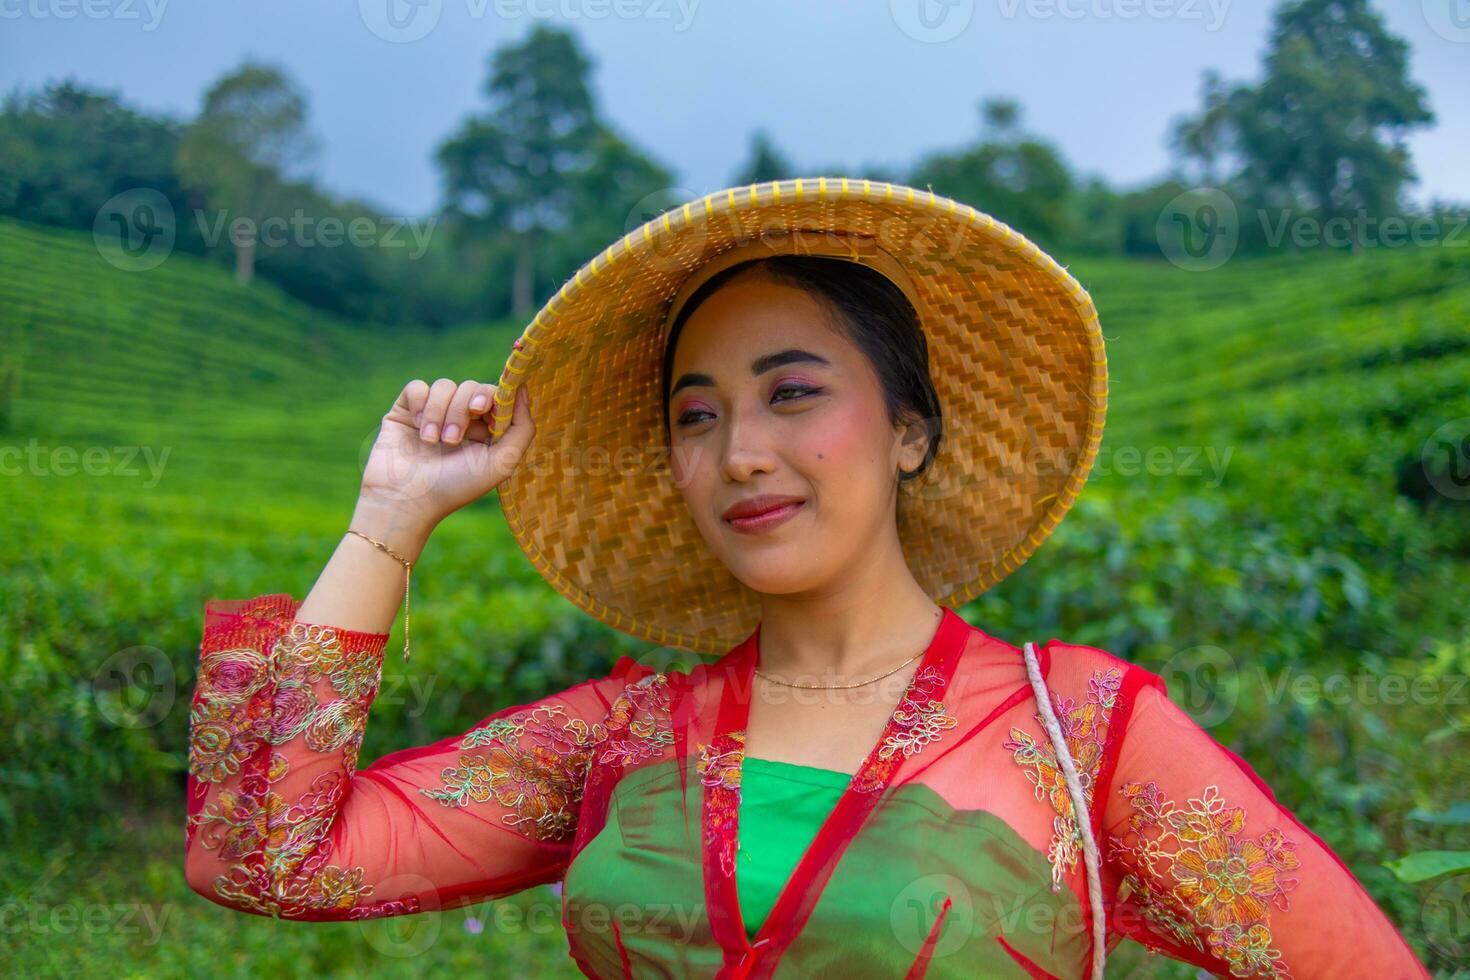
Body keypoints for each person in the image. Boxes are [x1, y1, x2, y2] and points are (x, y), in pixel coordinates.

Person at [183, 178, 1429, 979]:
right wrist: (390, 519)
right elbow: (265, 856)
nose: (742, 453)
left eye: (794, 392)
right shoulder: (618, 739)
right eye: (695, 413)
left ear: (909, 430)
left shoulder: (1084, 733)